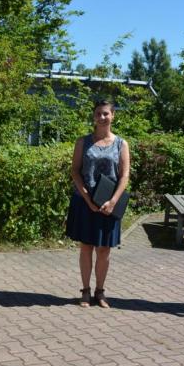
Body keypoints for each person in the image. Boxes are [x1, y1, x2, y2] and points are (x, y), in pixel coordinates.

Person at [66, 100, 131, 308]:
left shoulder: (122, 144)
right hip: (85, 202)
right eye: (98, 114)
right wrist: (87, 198)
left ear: (113, 115)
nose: (102, 117)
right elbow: (75, 171)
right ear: (94, 117)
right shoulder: (82, 142)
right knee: (86, 247)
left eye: (106, 114)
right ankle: (85, 291)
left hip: (109, 205)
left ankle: (100, 292)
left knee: (104, 250)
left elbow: (125, 175)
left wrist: (113, 201)